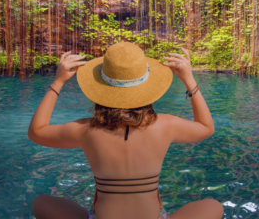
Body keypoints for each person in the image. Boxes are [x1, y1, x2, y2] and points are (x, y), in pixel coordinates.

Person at [28, 42, 223, 219]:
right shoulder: (166, 125)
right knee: (213, 206)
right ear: (148, 87)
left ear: (100, 88)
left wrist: (58, 82)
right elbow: (206, 127)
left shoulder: (86, 130)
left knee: (41, 202)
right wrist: (189, 80)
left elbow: (36, 131)